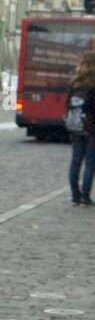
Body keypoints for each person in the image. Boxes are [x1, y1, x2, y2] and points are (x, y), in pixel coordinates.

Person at [65, 50, 95, 205]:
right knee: (90, 163)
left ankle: (75, 196)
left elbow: (67, 105)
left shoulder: (74, 82)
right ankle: (85, 196)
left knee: (75, 162)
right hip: (91, 128)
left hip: (76, 126)